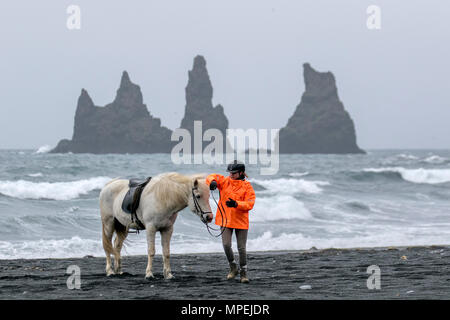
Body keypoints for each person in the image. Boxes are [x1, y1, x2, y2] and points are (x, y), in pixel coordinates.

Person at [206, 160, 256, 283]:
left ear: (241, 173)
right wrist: (212, 182)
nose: (231, 175)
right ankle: (233, 267)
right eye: (230, 172)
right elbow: (212, 176)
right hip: (225, 220)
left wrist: (236, 204)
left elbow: (250, 204)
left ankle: (243, 273)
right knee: (226, 245)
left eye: (234, 173)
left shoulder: (247, 187)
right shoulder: (224, 181)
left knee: (241, 248)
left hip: (241, 221)